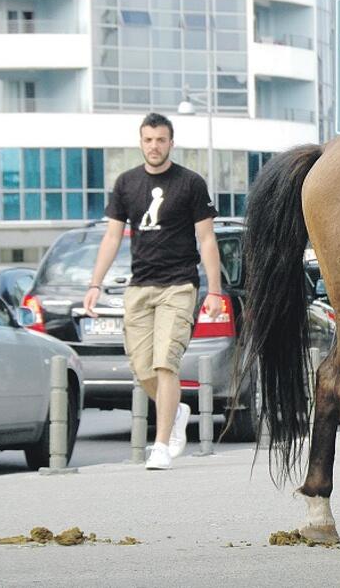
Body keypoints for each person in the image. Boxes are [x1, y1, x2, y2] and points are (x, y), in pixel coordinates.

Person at [83, 112, 222, 470]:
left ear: (170, 142)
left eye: (161, 140)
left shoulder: (190, 183)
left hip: (179, 285)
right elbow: (112, 237)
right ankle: (175, 411)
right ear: (141, 142)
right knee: (142, 368)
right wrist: (94, 285)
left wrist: (215, 291)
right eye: (148, 140)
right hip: (139, 287)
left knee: (165, 363)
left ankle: (160, 445)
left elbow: (206, 239)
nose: (154, 146)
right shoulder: (126, 183)